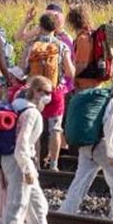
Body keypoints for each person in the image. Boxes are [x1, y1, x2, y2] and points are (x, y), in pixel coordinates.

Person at [58, 73, 113, 221]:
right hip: (101, 144)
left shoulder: (106, 96)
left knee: (81, 179)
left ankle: (66, 212)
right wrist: (112, 152)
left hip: (88, 144)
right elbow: (111, 126)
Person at [0, 76, 59, 224]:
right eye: (45, 93)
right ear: (36, 92)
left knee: (38, 204)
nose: (48, 97)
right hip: (20, 161)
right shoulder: (32, 113)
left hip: (9, 158)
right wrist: (27, 169)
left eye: (50, 93)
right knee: (18, 204)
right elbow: (22, 145)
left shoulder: (16, 104)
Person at [25, 13, 75, 171]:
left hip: (36, 91)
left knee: (36, 128)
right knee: (55, 128)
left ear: (40, 27)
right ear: (56, 27)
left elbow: (22, 68)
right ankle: (53, 165)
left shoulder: (32, 44)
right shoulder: (62, 46)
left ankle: (37, 163)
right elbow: (70, 73)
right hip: (55, 91)